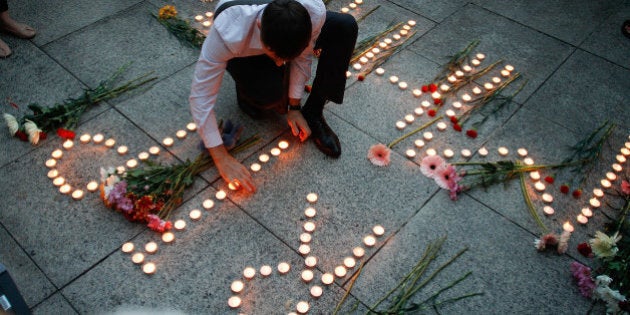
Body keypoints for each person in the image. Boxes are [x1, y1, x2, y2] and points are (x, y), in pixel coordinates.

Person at [189, 0, 358, 193]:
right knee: (271, 93)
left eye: (286, 59)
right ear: (260, 26)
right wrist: (221, 157)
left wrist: (294, 107)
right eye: (277, 56)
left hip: (284, 33)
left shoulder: (313, 10)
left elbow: (303, 58)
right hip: (242, 48)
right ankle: (247, 92)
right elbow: (200, 97)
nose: (280, 64)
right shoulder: (227, 31)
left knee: (345, 26)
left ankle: (313, 113)